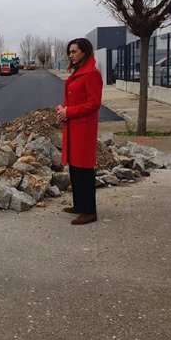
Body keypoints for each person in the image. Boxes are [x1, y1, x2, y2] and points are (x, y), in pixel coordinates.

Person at [56, 37, 103, 225]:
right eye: (70, 52)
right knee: (75, 167)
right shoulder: (80, 72)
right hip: (74, 125)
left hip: (83, 128)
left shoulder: (91, 73)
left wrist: (69, 111)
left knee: (84, 168)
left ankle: (89, 210)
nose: (71, 55)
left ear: (84, 51)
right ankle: (79, 205)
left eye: (74, 51)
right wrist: (64, 112)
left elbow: (94, 103)